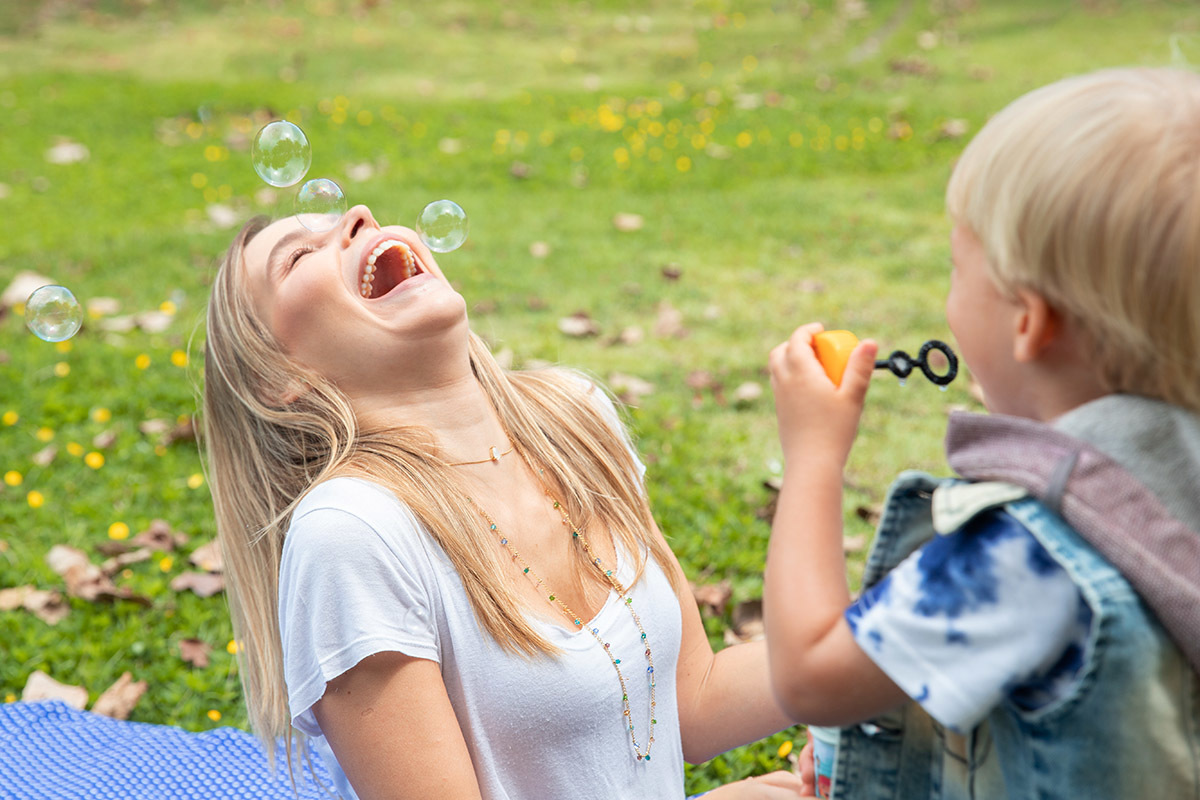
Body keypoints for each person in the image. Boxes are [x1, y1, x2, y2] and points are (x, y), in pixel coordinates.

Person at [202, 204, 810, 799]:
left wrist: (882, 633)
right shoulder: (353, 534)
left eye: (348, 216)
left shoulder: (575, 420)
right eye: (301, 255)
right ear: (278, 380)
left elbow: (694, 700)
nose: (359, 214)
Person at [763, 67, 1200, 798]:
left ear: (1029, 321)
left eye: (957, 267)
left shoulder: (1025, 554)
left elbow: (811, 675)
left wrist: (812, 458)